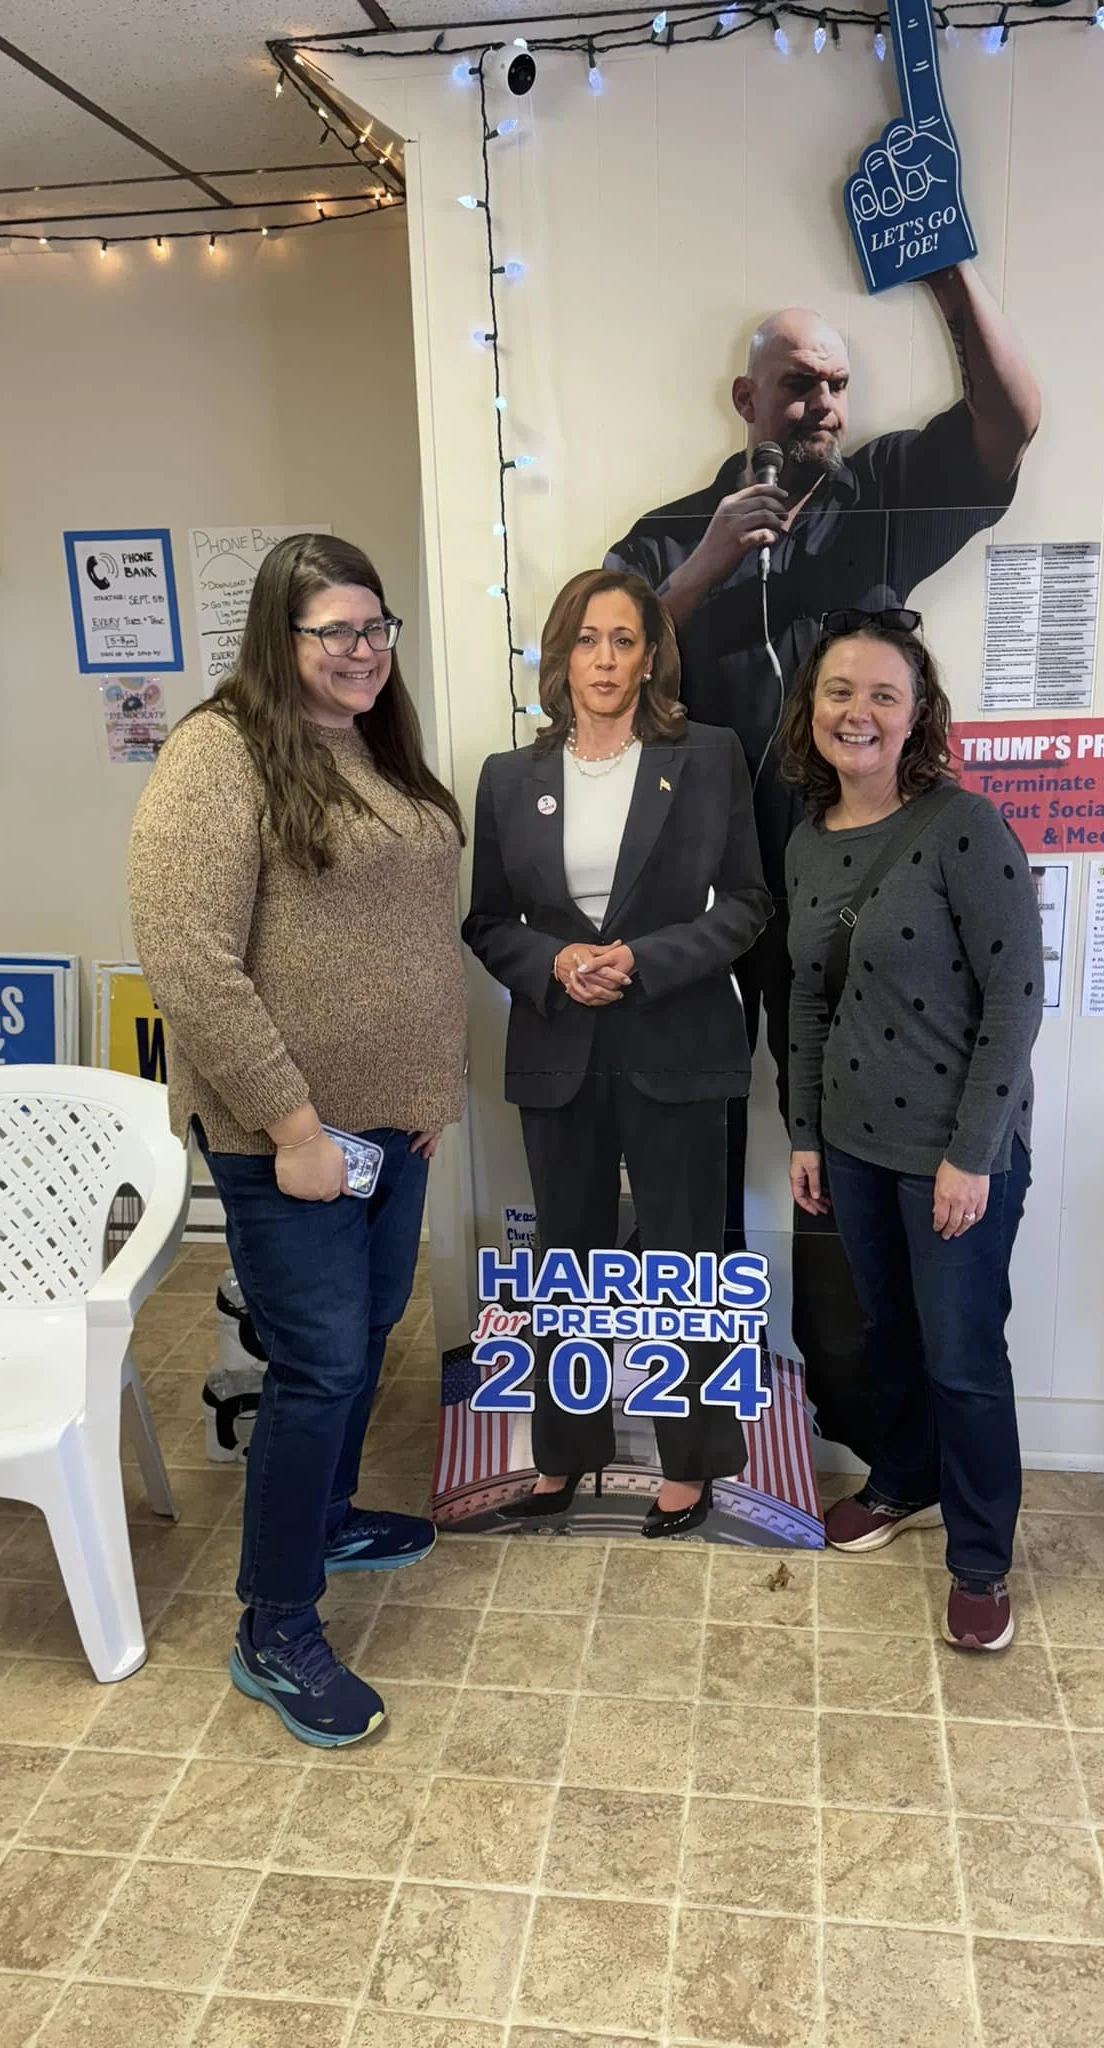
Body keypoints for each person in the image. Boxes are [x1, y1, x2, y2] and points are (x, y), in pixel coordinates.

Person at [605, 270, 1040, 1431]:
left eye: (839, 384)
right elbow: (594, 686)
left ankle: (860, 1428)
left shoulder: (885, 494)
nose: (825, 405)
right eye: (800, 384)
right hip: (691, 908)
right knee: (684, 1148)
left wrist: (946, 272)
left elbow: (1012, 423)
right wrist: (699, 568)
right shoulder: (658, 539)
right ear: (745, 396)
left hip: (850, 901)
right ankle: (683, 1415)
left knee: (836, 1163)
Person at [128, 532, 466, 1745]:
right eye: (336, 631)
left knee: (369, 1333)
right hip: (293, 1138)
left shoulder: (375, 746)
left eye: (375, 627)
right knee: (320, 1364)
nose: (363, 650)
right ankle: (274, 1621)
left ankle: (322, 1515)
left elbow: (410, 940)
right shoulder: (217, 754)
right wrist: (295, 1124)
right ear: (280, 637)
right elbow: (191, 962)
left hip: (391, 1128)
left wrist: (428, 1089)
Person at [463, 569, 771, 1537]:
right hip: (559, 1044)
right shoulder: (509, 777)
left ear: (650, 655)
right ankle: (564, 1454)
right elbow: (485, 919)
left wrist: (642, 959)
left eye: (624, 640)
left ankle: (695, 1460)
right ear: (560, 656)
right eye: (588, 639)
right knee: (566, 1259)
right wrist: (557, 959)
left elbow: (749, 905)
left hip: (677, 1040)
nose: (604, 659)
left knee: (687, 1259)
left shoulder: (708, 756)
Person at [779, 608, 1043, 1652]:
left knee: (964, 1355)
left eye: (885, 694)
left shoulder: (963, 827)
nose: (860, 712)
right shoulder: (805, 841)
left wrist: (972, 1154)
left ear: (918, 714)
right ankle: (901, 1482)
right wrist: (806, 1132)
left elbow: (1016, 998)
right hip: (850, 1145)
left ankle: (981, 1560)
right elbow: (805, 997)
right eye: (841, 690)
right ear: (811, 711)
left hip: (953, 1156)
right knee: (885, 1335)